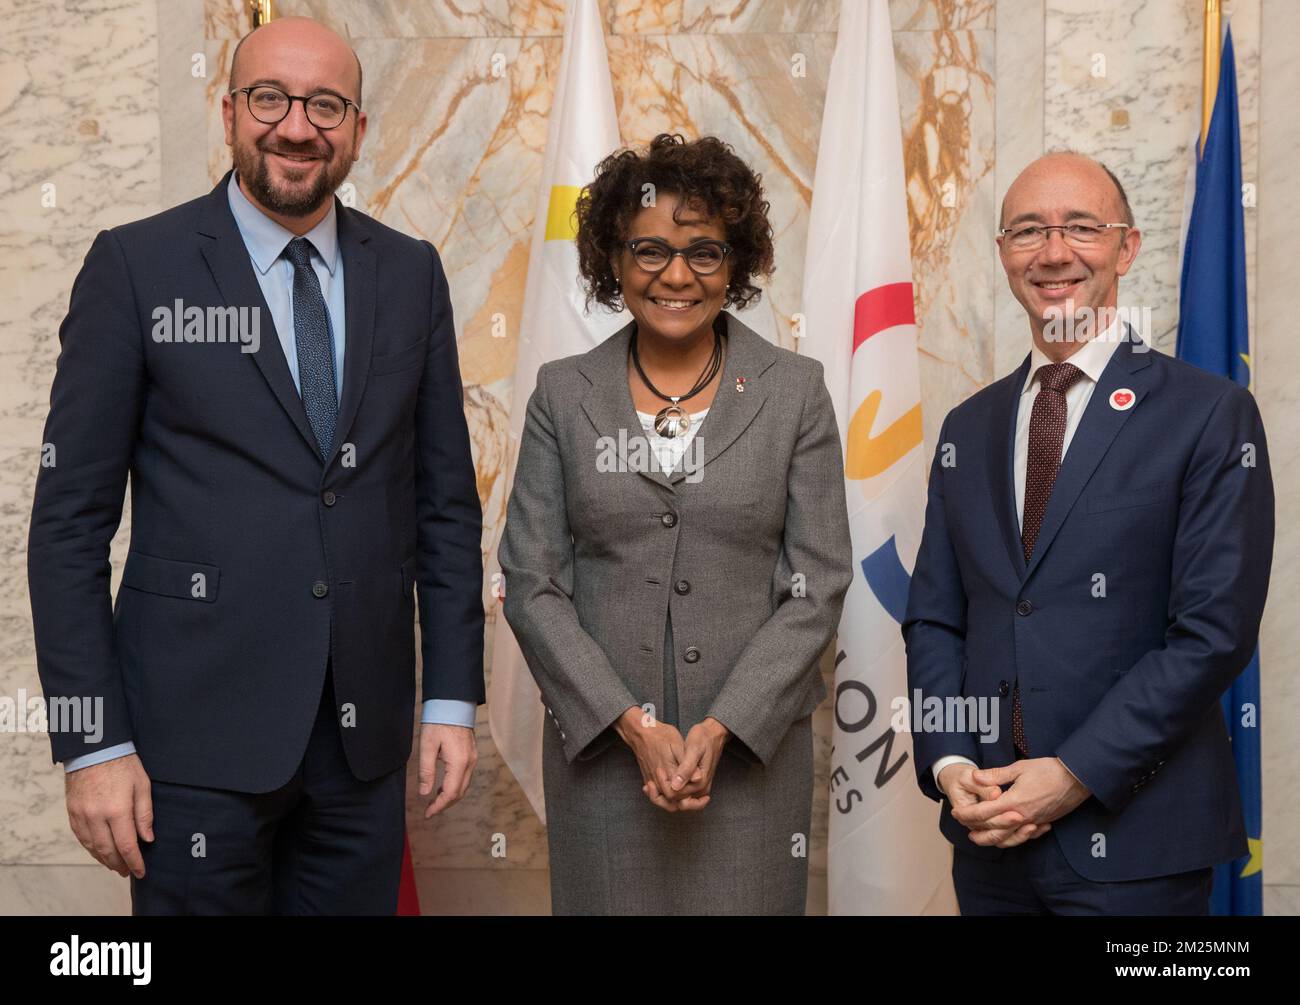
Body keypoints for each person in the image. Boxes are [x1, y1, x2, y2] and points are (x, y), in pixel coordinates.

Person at [27, 16, 484, 914]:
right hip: (186, 750)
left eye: (326, 104)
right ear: (230, 110)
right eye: (270, 98)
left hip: (362, 747)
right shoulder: (136, 267)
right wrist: (92, 744)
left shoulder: (410, 273)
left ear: (356, 126)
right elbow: (68, 523)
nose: (296, 126)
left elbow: (444, 506)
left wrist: (453, 700)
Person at [902, 151, 1274, 914]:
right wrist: (949, 762)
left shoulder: (1208, 414)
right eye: (1028, 230)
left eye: (1081, 227)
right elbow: (939, 616)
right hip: (989, 843)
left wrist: (1072, 772)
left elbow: (1213, 631)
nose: (1054, 251)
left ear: (1127, 248)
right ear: (1005, 253)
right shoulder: (966, 429)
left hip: (1139, 846)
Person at [499, 134, 853, 915]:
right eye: (649, 249)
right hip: (604, 756)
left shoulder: (796, 392)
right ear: (614, 261)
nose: (676, 275)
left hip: (750, 759)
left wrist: (724, 724)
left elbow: (818, 579)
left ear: (738, 262)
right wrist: (632, 726)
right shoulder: (563, 394)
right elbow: (531, 582)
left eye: (704, 251)